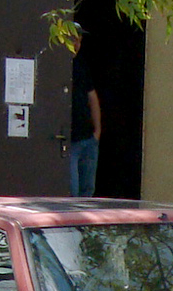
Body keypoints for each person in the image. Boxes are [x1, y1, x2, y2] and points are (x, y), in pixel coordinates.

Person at [69, 34, 101, 197]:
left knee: (87, 191)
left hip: (87, 138)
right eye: (73, 40)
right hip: (70, 142)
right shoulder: (59, 66)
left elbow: (92, 97)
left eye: (79, 41)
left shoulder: (81, 65)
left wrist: (97, 132)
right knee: (72, 192)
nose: (76, 45)